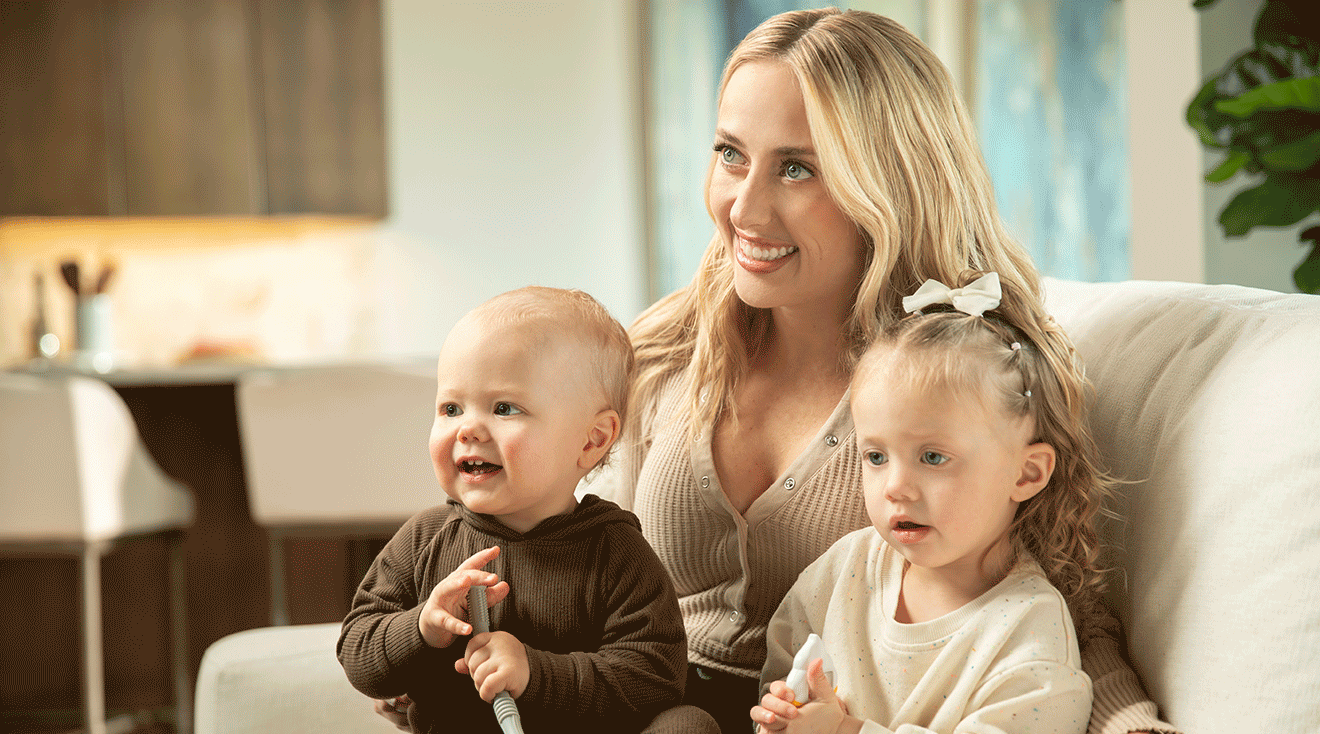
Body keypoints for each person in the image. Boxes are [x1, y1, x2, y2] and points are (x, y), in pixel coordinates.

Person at [613, 8, 1176, 734]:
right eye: (729, 154)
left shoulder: (956, 376)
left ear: (887, 181)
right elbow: (580, 554)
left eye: (796, 168)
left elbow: (1054, 612)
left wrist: (1130, 724)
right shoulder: (667, 349)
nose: (743, 207)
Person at [339, 286, 717, 733]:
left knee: (688, 723)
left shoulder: (617, 553)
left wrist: (536, 674)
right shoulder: (426, 538)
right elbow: (358, 653)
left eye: (504, 408)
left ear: (593, 439)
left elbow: (653, 680)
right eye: (451, 408)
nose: (468, 429)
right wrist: (422, 628)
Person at [750, 271, 1106, 734]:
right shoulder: (845, 570)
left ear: (1027, 473)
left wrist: (844, 731)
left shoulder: (1029, 630)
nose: (896, 487)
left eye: (933, 457)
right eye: (876, 456)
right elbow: (782, 669)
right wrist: (785, 710)